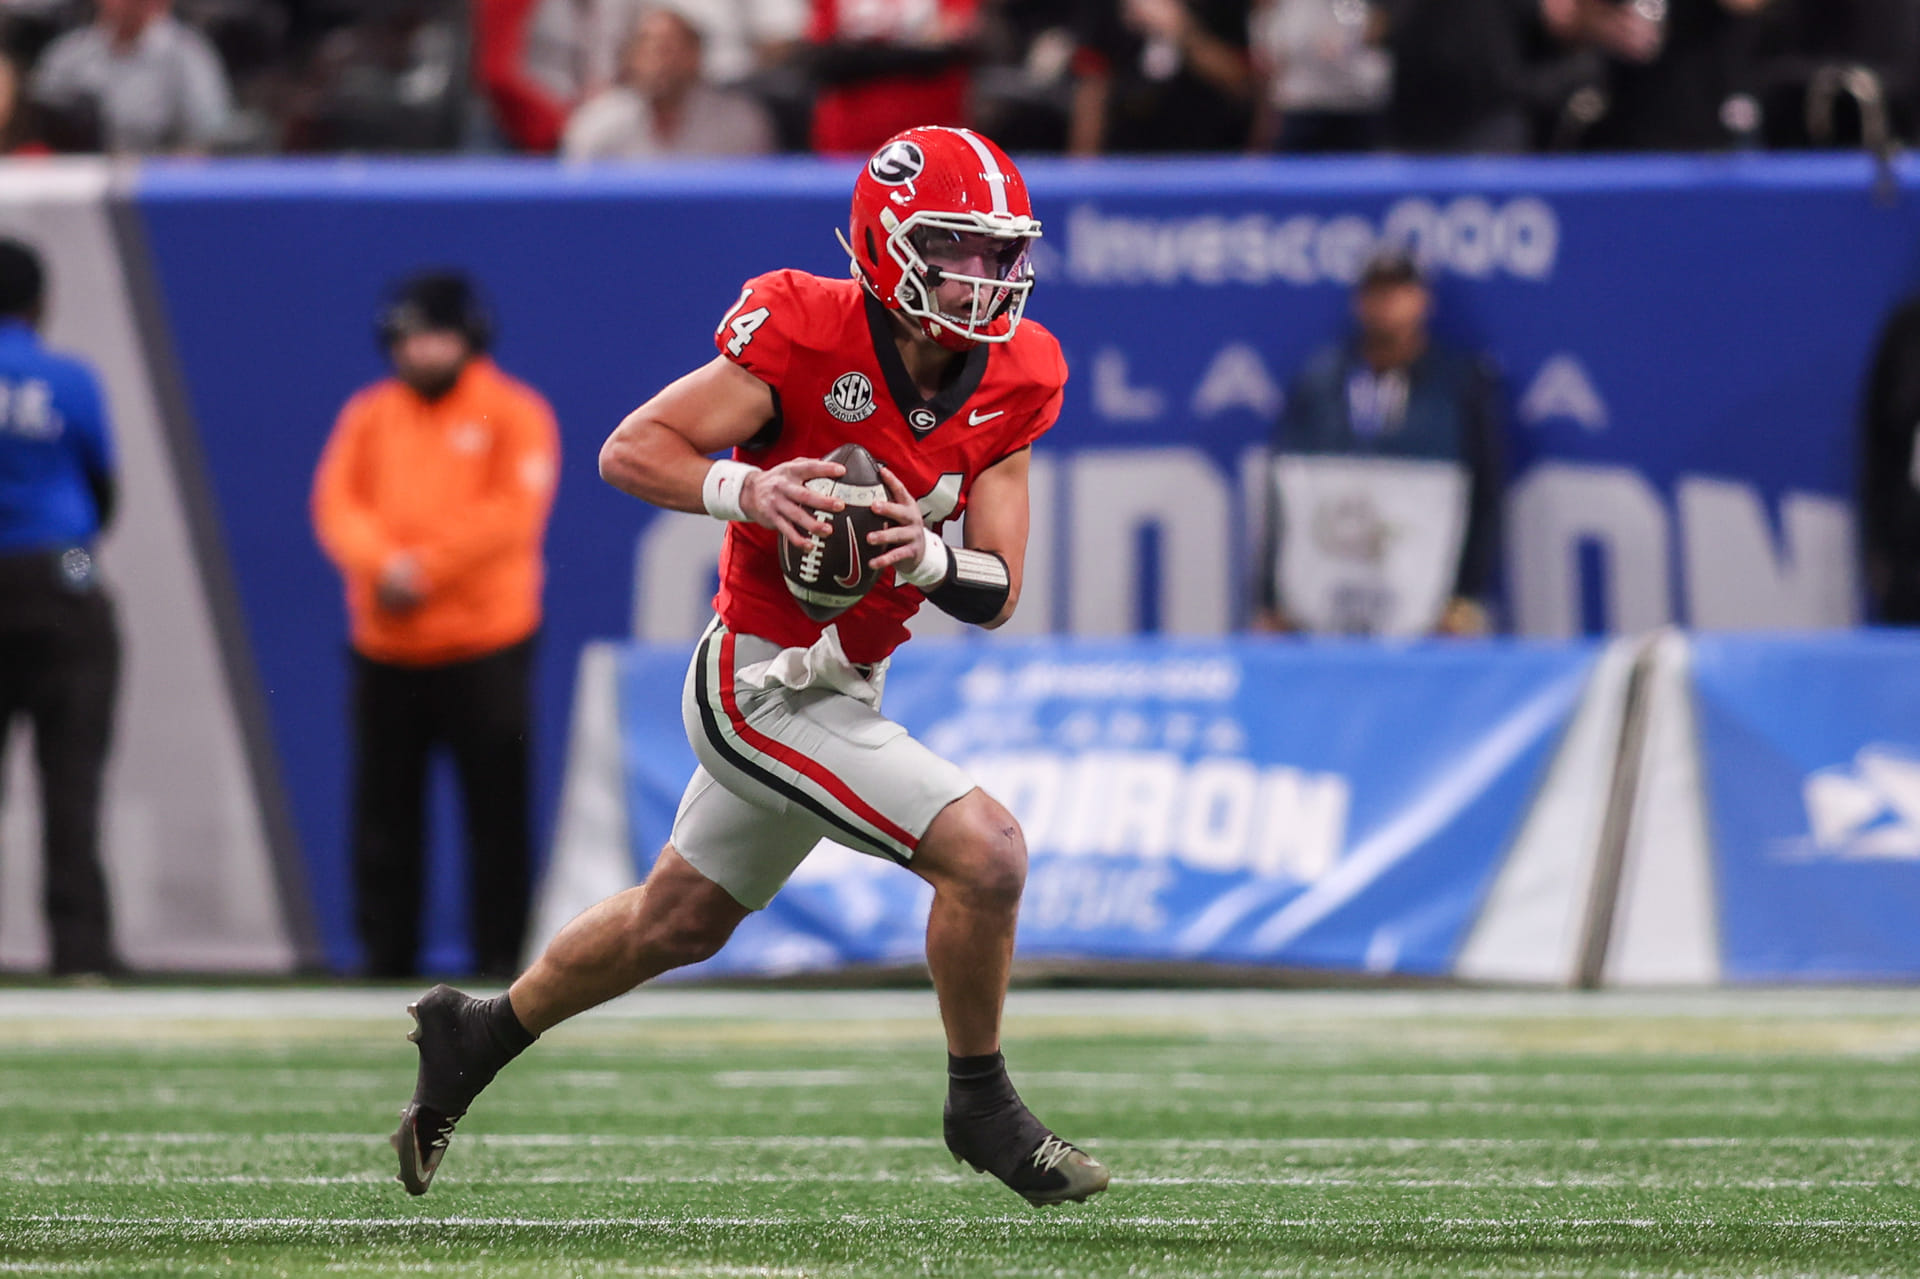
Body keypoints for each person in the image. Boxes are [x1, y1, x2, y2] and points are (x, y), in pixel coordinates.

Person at [387, 126, 1109, 1209]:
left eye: (1001, 253)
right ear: (888, 244)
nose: (985, 278)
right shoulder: (808, 327)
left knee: (675, 921)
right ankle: (981, 1101)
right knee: (989, 853)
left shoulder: (1020, 372)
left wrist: (928, 550)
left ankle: (476, 1033)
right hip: (757, 682)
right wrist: (749, 490)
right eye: (959, 249)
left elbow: (999, 589)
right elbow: (631, 448)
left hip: (846, 682)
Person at [311, 272, 560, 980]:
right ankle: (385, 959)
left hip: (486, 644)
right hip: (386, 648)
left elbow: (512, 513)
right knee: (384, 816)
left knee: (497, 815)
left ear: (468, 338)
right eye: (408, 337)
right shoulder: (370, 414)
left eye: (435, 336)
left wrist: (423, 568)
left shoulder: (514, 412)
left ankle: (502, 962)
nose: (419, 352)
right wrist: (380, 563)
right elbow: (337, 503)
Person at [1254, 249, 1502, 637]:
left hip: (1420, 606)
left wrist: (1464, 596)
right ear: (1359, 302)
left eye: (1399, 291)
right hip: (1324, 605)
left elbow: (1484, 493)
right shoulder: (1322, 380)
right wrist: (1271, 597)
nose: (1388, 304)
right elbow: (1287, 492)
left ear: (1423, 299)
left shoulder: (1458, 383)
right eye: (1377, 292)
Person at [0, 237, 122, 977]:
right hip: (61, 569)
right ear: (40, 303)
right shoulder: (68, 376)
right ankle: (80, 949)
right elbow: (101, 487)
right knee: (71, 781)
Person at [562, 6, 776, 160]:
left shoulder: (740, 123)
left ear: (696, 57)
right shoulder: (596, 122)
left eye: (671, 49)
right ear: (631, 57)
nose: (661, 62)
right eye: (650, 49)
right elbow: (575, 203)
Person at [29, 0, 234, 154]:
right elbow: (35, 124)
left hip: (157, 182)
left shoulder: (189, 53)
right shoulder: (68, 53)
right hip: (77, 181)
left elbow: (208, 135)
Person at [1068, 0, 1255, 155]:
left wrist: (1183, 32)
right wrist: (1081, 176)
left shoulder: (1224, 6)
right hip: (1126, 162)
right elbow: (1093, 89)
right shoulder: (1109, 7)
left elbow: (1244, 86)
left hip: (1207, 161)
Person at [806, 0, 980, 155]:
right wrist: (915, 52)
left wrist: (862, 56)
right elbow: (825, 59)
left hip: (935, 134)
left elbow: (952, 46)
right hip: (848, 139)